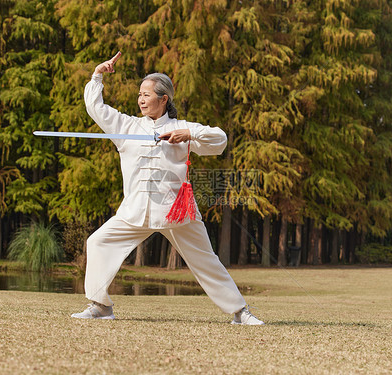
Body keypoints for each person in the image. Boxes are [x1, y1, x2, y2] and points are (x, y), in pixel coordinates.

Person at [71, 51, 264, 325]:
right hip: (135, 211)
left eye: (147, 94)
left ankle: (240, 312)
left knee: (205, 260)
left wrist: (191, 134)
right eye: (140, 94)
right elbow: (95, 107)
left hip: (177, 212)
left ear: (164, 99)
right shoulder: (127, 126)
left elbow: (219, 140)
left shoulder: (181, 128)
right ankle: (101, 306)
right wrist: (98, 75)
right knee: (98, 242)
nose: (141, 99)